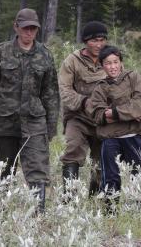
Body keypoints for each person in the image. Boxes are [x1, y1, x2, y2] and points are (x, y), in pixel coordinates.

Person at [0, 8, 60, 213]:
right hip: (3, 122)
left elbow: (50, 93)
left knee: (38, 171)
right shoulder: (1, 53)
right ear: (16, 27)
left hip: (34, 122)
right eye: (25, 28)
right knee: (1, 171)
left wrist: (51, 125)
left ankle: (37, 216)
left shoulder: (44, 55)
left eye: (33, 28)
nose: (29, 32)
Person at [85, 45, 141, 207]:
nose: (112, 66)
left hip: (132, 137)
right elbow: (97, 114)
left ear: (121, 62)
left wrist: (114, 113)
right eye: (108, 63)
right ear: (102, 66)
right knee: (110, 177)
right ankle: (110, 213)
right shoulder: (100, 88)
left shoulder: (133, 78)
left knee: (140, 175)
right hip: (110, 140)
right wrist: (129, 114)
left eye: (115, 62)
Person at [58, 21, 108, 200]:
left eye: (102, 40)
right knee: (73, 152)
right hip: (77, 117)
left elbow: (121, 86)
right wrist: (85, 102)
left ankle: (94, 199)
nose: (99, 44)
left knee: (102, 158)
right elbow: (65, 91)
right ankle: (69, 200)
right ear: (86, 41)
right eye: (94, 40)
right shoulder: (72, 61)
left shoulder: (110, 58)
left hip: (103, 119)